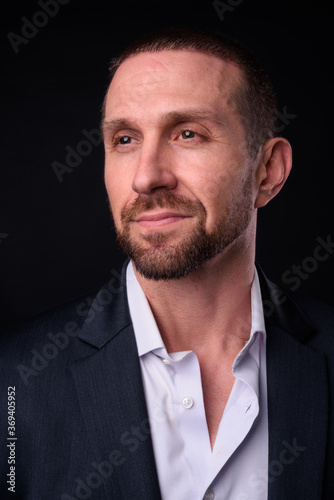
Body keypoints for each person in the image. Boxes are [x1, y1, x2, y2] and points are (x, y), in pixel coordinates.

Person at [1, 26, 333, 500]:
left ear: (268, 171)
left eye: (188, 133)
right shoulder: (12, 384)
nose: (146, 177)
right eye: (124, 139)